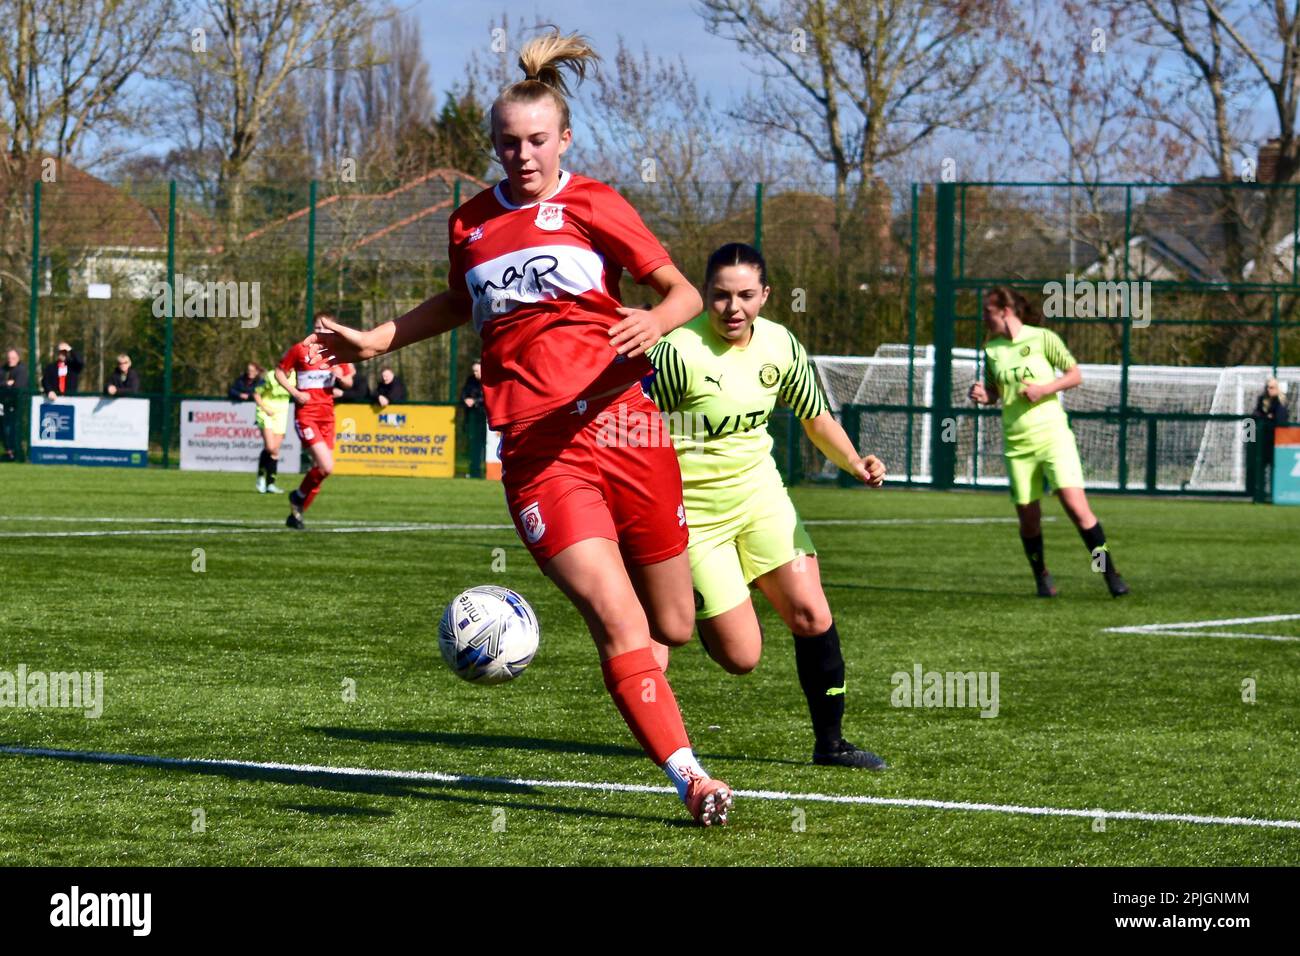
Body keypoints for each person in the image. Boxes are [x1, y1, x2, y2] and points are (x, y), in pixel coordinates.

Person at [308, 30, 733, 826]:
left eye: (537, 141)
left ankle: (674, 645)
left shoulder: (596, 203)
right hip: (540, 454)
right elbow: (460, 302)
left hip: (628, 433)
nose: (523, 155)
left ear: (563, 138)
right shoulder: (470, 223)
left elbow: (680, 292)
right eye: (508, 143)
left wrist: (656, 322)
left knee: (675, 623)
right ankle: (692, 778)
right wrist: (377, 339)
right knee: (620, 621)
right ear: (494, 145)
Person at [647, 243, 888, 769]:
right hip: (694, 517)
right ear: (703, 295)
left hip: (761, 499)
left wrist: (854, 462)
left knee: (811, 612)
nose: (733, 308)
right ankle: (666, 600)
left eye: (746, 296)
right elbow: (624, 422)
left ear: (766, 295)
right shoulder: (677, 353)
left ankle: (831, 744)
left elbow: (815, 416)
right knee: (742, 657)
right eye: (720, 296)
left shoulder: (780, 344)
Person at [968, 287, 1129, 598]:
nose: (983, 317)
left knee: (1076, 508)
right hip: (1017, 442)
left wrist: (1045, 389)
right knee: (1029, 520)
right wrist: (983, 396)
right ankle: (1041, 576)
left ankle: (1109, 572)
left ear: (1005, 310)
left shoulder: (1043, 338)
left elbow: (1074, 375)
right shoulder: (992, 350)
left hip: (1053, 435)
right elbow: (995, 392)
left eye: (987, 311)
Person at [277, 315, 356, 529]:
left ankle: (297, 513)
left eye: (325, 327)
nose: (321, 330)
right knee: (326, 466)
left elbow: (349, 382)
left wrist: (340, 376)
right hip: (306, 415)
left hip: (327, 417)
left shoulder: (338, 353)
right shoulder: (300, 349)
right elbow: (279, 372)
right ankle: (298, 497)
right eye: (317, 327)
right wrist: (294, 392)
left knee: (320, 471)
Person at [252, 361, 290, 494]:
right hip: (266, 413)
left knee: (275, 451)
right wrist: (265, 408)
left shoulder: (296, 377)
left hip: (281, 415)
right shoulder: (270, 376)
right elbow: (256, 393)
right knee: (270, 447)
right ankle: (261, 475)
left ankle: (270, 484)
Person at [1250, 377, 1289, 498]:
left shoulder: (1281, 403)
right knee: (1260, 467)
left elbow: (1280, 420)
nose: (1269, 390)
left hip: (1277, 441)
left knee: (1275, 468)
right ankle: (1260, 494)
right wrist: (1267, 416)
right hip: (1262, 441)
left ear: (1277, 389)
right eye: (1267, 387)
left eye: (1271, 387)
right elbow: (1255, 415)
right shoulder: (1262, 400)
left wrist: (1266, 417)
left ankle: (1275, 494)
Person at [1, 348, 28, 461]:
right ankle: (9, 452)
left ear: (18, 358)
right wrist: (6, 384)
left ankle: (17, 453)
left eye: (13, 358)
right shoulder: (3, 369)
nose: (10, 360)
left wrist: (4, 386)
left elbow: (18, 388)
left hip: (17, 406)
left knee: (13, 430)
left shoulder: (21, 370)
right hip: (3, 405)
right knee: (4, 430)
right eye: (9, 358)